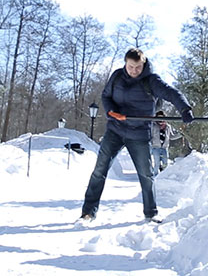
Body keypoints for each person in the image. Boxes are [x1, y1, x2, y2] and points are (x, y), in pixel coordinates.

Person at [81, 48, 193, 222]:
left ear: (144, 64)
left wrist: (184, 108)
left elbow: (171, 93)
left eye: (138, 67)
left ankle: (151, 213)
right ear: (126, 63)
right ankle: (88, 212)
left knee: (146, 175)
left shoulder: (151, 81)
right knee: (99, 170)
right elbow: (106, 96)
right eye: (131, 66)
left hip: (139, 133)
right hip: (115, 130)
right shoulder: (117, 76)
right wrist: (111, 111)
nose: (134, 71)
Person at [151, 110, 178, 176]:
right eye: (159, 117)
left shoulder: (167, 127)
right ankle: (155, 176)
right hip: (156, 147)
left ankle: (164, 176)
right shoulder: (154, 126)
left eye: (162, 117)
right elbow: (150, 136)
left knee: (165, 163)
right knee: (157, 163)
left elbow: (171, 136)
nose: (160, 120)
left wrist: (181, 134)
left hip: (164, 148)